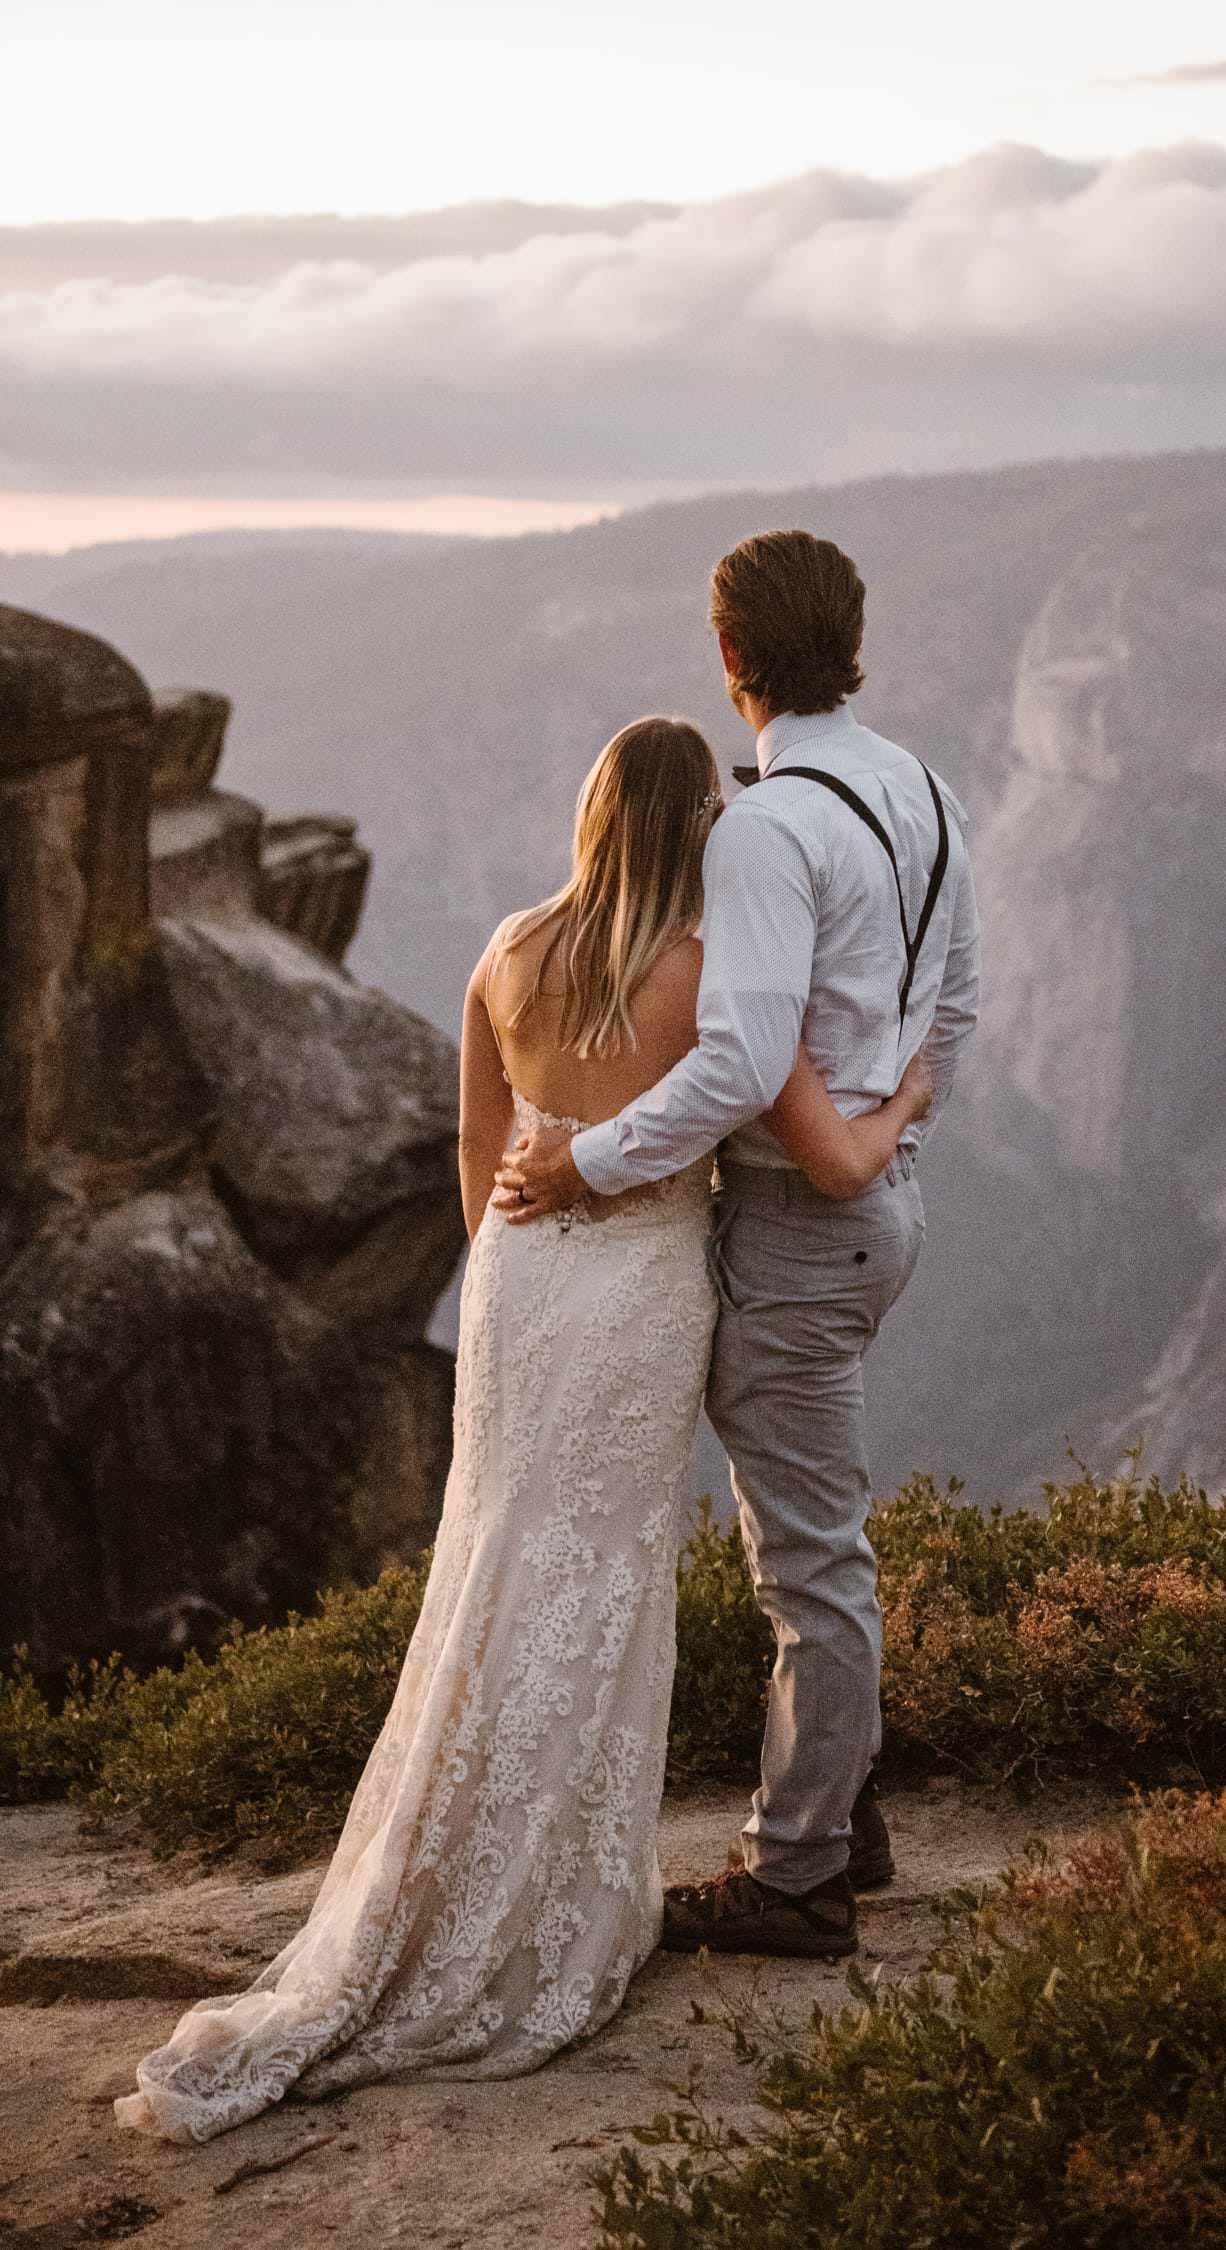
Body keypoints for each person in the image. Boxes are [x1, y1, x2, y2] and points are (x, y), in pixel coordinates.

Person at [115, 714, 930, 2144]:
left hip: (517, 1285)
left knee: (491, 1562)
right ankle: (551, 1909)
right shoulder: (705, 976)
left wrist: (526, 1236)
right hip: (637, 1292)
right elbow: (771, 1141)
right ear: (698, 835)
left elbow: (469, 1152)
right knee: (600, 1575)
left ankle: (435, 1875)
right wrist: (909, 1087)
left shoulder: (504, 949)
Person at [500, 531, 981, 1960]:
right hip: (876, 1213)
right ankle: (844, 1807)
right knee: (815, 1530)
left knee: (808, 1560)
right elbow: (954, 1011)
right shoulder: (924, 789)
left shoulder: (766, 827)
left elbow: (737, 1061)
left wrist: (581, 1161)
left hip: (795, 1225)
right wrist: (889, 1126)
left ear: (729, 660)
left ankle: (801, 1873)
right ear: (853, 639)